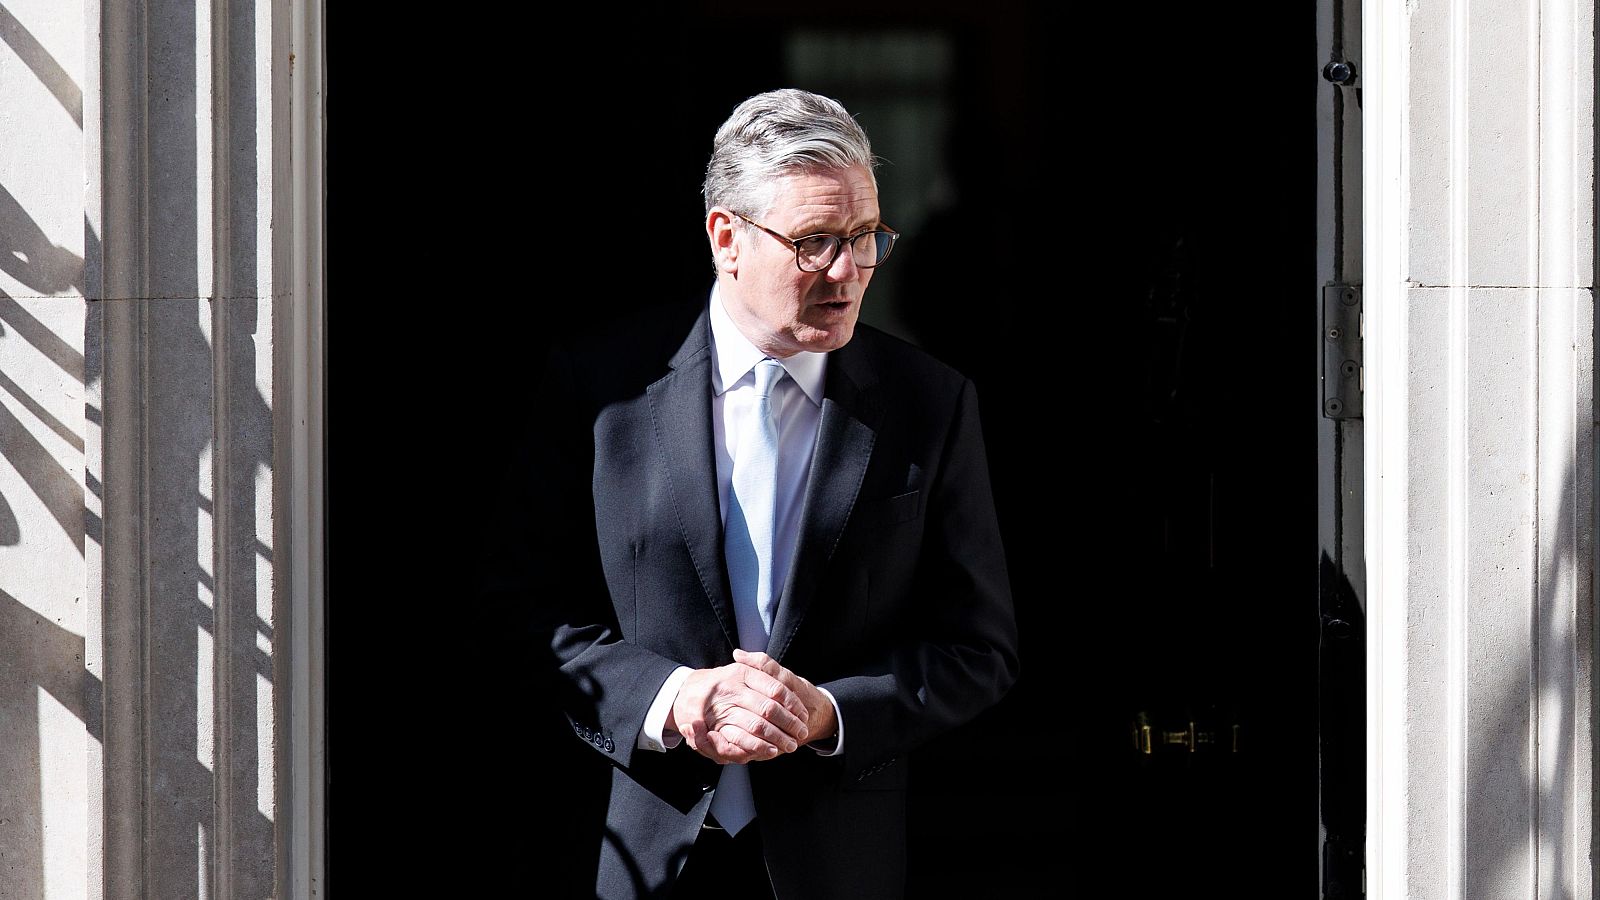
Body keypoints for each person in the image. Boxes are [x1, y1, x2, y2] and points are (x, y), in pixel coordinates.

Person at [527, 88, 1019, 899]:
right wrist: (671, 697)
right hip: (634, 854)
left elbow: (980, 647)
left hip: (838, 865)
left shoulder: (930, 403)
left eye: (866, 238)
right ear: (727, 236)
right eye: (816, 241)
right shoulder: (600, 389)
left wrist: (828, 713)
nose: (848, 271)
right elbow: (521, 613)